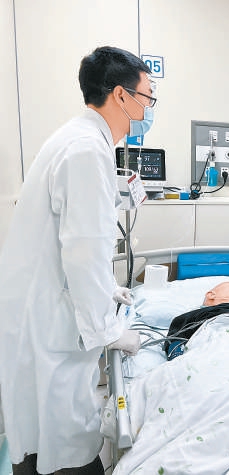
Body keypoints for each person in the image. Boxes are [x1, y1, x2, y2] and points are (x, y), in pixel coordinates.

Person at [0, 46, 156, 475]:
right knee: (64, 444)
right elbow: (84, 250)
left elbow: (75, 244)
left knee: (41, 437)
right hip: (49, 324)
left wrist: (109, 288)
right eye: (147, 96)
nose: (149, 107)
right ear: (121, 95)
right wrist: (111, 330)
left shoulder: (76, 139)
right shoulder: (86, 150)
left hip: (40, 309)